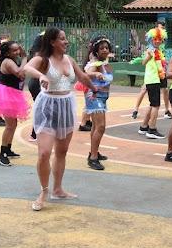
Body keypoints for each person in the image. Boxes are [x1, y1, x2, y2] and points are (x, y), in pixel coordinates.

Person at [23, 27, 96, 211]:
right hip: (47, 106)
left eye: (65, 38)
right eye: (62, 39)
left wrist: (95, 89)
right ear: (52, 42)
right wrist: (41, 75)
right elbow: (27, 67)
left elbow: (82, 77)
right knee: (44, 153)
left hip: (66, 105)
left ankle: (57, 189)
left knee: (62, 152)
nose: (66, 41)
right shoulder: (43, 59)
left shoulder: (69, 60)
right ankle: (43, 191)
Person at [0, 40, 29, 166]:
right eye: (14, 50)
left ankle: (8, 149)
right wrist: (25, 58)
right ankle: (2, 153)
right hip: (7, 95)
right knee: (10, 125)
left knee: (13, 124)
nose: (17, 52)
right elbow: (20, 74)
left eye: (18, 49)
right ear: (7, 52)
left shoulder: (13, 60)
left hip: (13, 93)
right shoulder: (8, 62)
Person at [84, 37, 114, 170]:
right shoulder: (94, 63)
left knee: (96, 126)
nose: (105, 50)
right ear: (96, 50)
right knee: (101, 126)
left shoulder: (105, 62)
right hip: (94, 96)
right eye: (101, 48)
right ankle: (93, 158)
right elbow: (87, 73)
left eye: (106, 48)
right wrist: (96, 74)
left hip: (102, 97)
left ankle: (93, 152)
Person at [138, 23, 170, 139]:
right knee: (156, 105)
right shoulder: (150, 50)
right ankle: (152, 129)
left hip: (157, 78)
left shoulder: (159, 50)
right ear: (151, 39)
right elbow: (143, 63)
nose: (157, 41)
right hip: (152, 80)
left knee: (152, 104)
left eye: (159, 39)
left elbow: (161, 64)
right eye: (155, 39)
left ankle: (143, 126)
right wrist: (149, 56)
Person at [25, 33, 44, 142]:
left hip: (36, 83)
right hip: (37, 84)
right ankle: (35, 133)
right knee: (41, 108)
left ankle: (35, 132)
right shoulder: (39, 55)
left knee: (41, 108)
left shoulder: (39, 54)